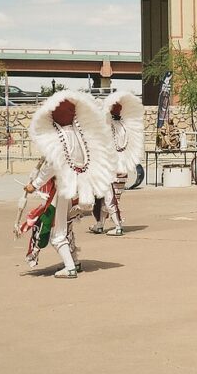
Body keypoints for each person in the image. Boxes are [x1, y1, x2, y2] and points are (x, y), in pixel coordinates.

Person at [24, 91, 115, 278]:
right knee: (68, 226)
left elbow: (52, 166)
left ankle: (70, 267)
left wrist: (34, 184)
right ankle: (74, 261)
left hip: (65, 189)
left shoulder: (59, 138)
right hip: (80, 189)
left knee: (58, 232)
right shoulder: (79, 135)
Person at [89, 91, 144, 237]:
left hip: (111, 167)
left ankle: (118, 226)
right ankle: (100, 224)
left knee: (108, 198)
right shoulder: (124, 127)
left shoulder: (109, 125)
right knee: (105, 197)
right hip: (122, 167)